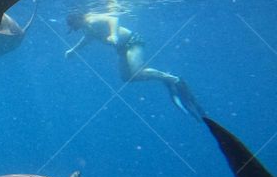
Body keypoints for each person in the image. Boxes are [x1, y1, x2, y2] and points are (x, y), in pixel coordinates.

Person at [65, 11, 204, 119]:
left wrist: (114, 35)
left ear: (79, 19)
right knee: (126, 77)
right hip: (122, 49)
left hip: (132, 42)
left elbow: (112, 18)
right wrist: (73, 50)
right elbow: (87, 39)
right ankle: (166, 79)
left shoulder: (92, 19)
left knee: (137, 72)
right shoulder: (87, 28)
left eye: (74, 26)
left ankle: (173, 79)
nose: (75, 29)